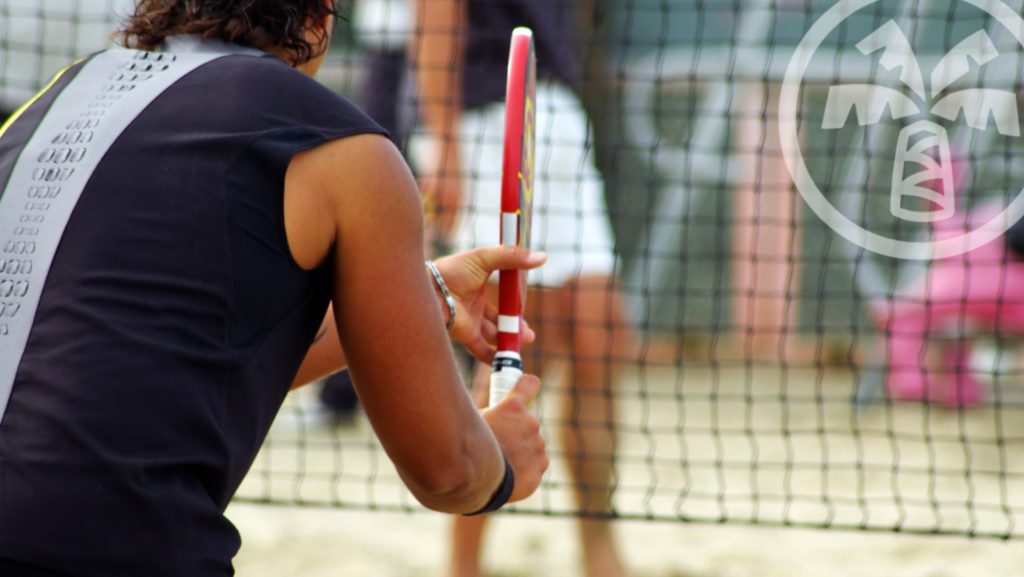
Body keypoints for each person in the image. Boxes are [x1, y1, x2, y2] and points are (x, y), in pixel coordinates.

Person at [0, 1, 549, 575]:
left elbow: (189, 350)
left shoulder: (56, 97)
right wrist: (501, 464)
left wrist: (427, 289)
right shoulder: (343, 146)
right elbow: (450, 472)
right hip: (117, 545)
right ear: (317, 17)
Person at [411, 1, 632, 576]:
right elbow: (435, 17)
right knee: (512, 346)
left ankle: (598, 546)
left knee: (601, 338)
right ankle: (465, 561)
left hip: (557, 114)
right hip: (488, 123)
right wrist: (444, 143)